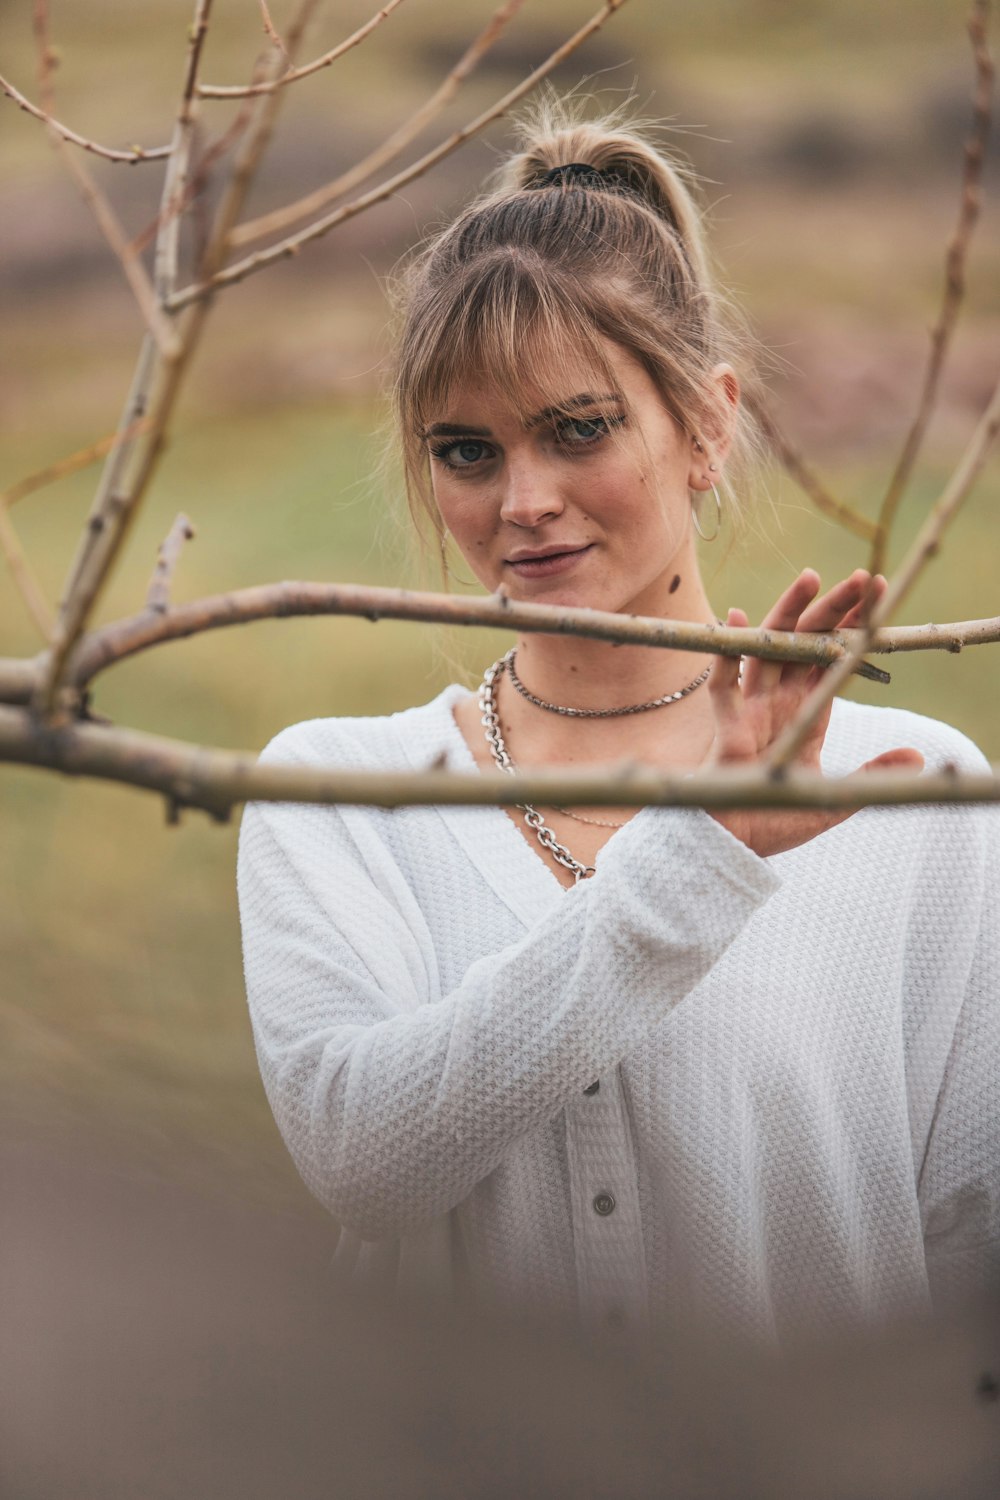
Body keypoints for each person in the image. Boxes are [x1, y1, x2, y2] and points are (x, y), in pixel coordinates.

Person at [237, 108, 999, 1342]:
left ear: (704, 424)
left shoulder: (916, 795)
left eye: (578, 429)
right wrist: (697, 856)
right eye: (467, 451)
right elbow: (363, 1162)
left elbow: (975, 1261)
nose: (523, 502)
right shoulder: (343, 789)